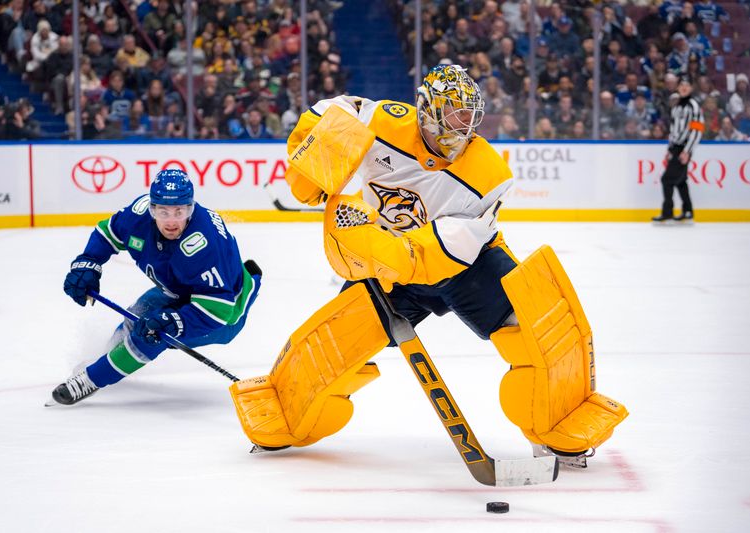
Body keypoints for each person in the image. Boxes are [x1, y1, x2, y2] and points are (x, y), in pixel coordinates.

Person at [230, 65, 627, 468]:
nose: (463, 129)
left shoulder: (488, 173)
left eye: (469, 118)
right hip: (388, 266)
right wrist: (320, 150)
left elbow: (446, 250)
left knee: (536, 330)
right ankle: (285, 409)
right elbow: (334, 109)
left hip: (469, 266)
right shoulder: (384, 122)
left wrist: (368, 243)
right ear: (425, 110)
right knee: (333, 344)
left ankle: (561, 419)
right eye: (454, 116)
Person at [51, 170, 262, 405]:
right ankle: (106, 360)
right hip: (179, 290)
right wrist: (89, 263)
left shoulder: (204, 244)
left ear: (190, 209)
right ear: (151, 208)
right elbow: (107, 233)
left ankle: (91, 380)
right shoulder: (137, 215)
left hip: (225, 312)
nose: (171, 221)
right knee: (137, 315)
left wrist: (174, 320)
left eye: (179, 212)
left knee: (154, 334)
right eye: (163, 211)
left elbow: (219, 310)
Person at [652, 76, 705, 223]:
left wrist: (687, 151)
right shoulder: (676, 106)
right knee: (681, 181)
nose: (684, 88)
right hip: (676, 147)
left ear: (691, 88)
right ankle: (688, 212)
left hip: (684, 148)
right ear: (677, 87)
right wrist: (670, 148)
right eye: (681, 85)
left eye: (687, 85)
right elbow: (673, 130)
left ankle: (668, 213)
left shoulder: (693, 105)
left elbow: (697, 130)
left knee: (666, 179)